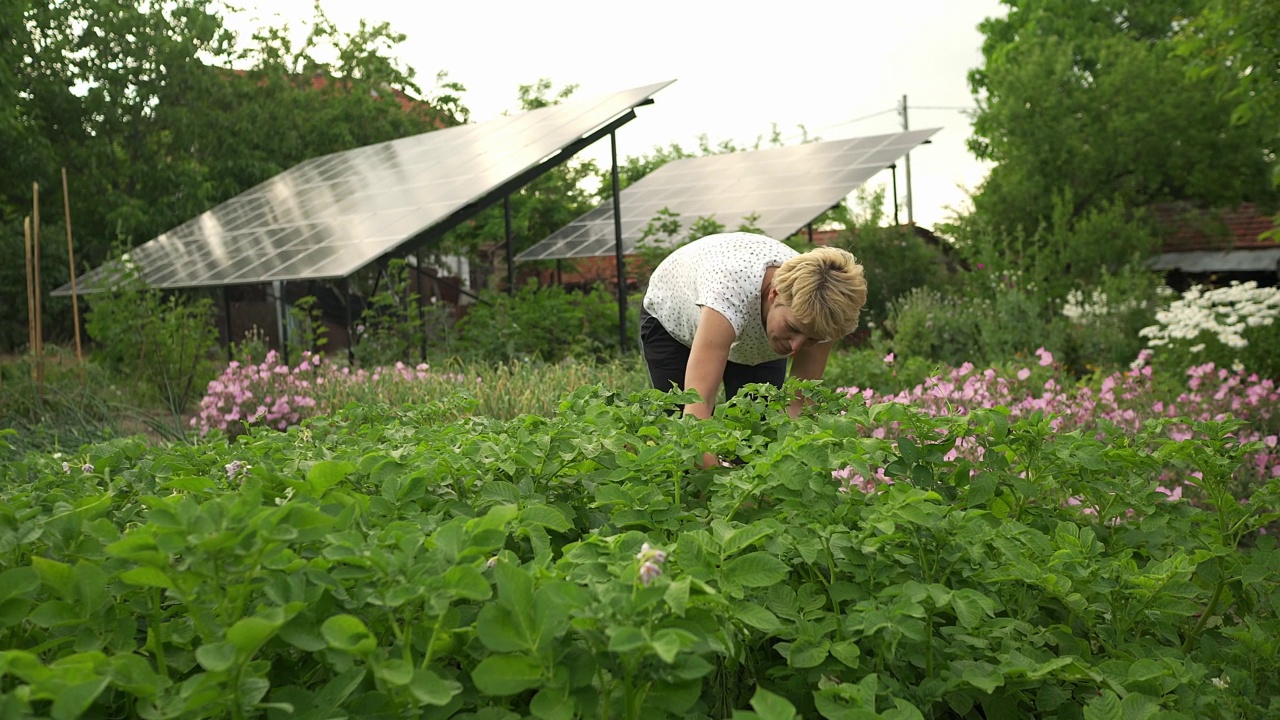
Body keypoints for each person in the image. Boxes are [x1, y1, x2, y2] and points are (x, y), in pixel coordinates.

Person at [639, 231, 866, 463]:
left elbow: (798, 405)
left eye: (812, 339)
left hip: (757, 330)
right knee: (681, 433)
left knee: (757, 435)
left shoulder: (823, 315)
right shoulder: (727, 293)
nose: (796, 347)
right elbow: (696, 409)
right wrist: (725, 490)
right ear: (775, 294)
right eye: (793, 328)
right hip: (673, 315)